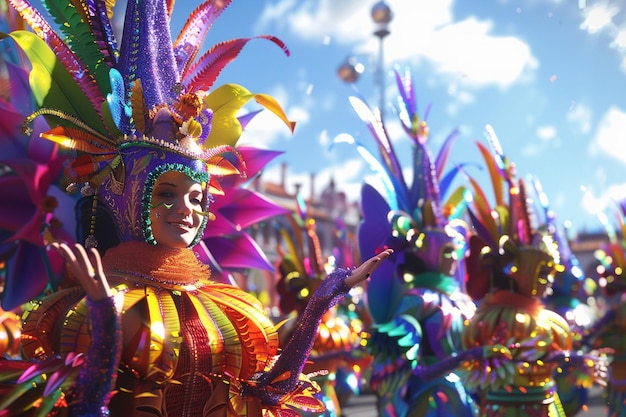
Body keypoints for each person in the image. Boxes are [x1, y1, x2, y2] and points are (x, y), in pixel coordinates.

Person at [0, 0, 394, 415]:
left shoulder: (223, 307)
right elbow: (83, 407)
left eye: (196, 197)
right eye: (166, 193)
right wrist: (102, 315)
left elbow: (268, 393)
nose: (186, 210)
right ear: (122, 193)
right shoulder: (89, 306)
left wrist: (324, 298)